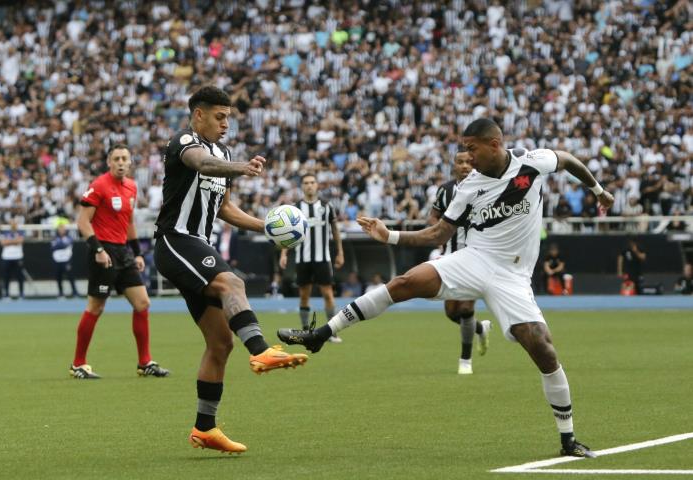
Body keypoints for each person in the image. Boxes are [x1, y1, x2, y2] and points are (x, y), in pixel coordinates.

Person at [279, 118, 615, 458]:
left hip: (512, 275)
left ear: (494, 145)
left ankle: (568, 440)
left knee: (542, 347)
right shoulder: (471, 186)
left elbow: (569, 159)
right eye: (464, 150)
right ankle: (322, 333)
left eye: (472, 149)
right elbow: (438, 234)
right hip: (476, 258)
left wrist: (599, 191)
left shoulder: (533, 162)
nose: (467, 158)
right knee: (406, 282)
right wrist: (390, 236)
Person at [153, 86, 307, 454]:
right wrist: (241, 167)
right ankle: (260, 349)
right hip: (176, 241)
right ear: (199, 114)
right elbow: (200, 164)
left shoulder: (223, 152)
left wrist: (267, 228)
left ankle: (204, 428)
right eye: (220, 117)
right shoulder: (184, 142)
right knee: (231, 281)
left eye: (228, 118)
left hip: (198, 246)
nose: (225, 124)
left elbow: (223, 208)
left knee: (220, 343)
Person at [70, 144, 169, 380]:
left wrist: (137, 253)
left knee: (143, 303)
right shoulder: (98, 186)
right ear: (109, 162)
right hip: (102, 252)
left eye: (125, 158)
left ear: (131, 161)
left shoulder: (132, 187)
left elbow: (129, 222)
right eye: (117, 158)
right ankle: (78, 364)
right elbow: (83, 222)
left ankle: (145, 362)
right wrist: (98, 250)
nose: (121, 162)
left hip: (123, 252)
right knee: (96, 307)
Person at [429, 150, 491, 375]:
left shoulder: (486, 188)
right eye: (460, 162)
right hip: (450, 257)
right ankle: (480, 328)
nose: (465, 166)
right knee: (451, 312)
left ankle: (465, 360)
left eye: (468, 162)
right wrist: (439, 232)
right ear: (454, 166)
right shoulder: (445, 190)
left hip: (475, 257)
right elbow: (433, 215)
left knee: (465, 309)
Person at [279, 173, 345, 342]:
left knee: (328, 294)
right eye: (306, 183)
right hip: (303, 258)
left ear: (317, 185)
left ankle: (331, 331)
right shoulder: (295, 208)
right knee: (304, 296)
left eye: (312, 182)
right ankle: (306, 331)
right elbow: (288, 233)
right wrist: (284, 253)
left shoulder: (326, 206)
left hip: (323, 258)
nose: (309, 185)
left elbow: (335, 230)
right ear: (302, 186)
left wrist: (340, 252)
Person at [51, 220, 79, 298]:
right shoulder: (55, 238)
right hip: (57, 261)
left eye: (62, 229)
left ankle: (75, 292)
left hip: (66, 261)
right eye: (60, 229)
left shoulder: (68, 237)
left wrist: (60, 245)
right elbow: (53, 247)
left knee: (70, 277)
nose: (61, 230)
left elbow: (66, 244)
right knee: (58, 278)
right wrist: (61, 245)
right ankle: (61, 293)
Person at [0, 218, 25, 300]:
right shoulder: (5, 232)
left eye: (15, 223)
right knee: (6, 277)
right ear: (10, 224)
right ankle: (6, 295)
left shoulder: (20, 232)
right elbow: (3, 243)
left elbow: (20, 241)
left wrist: (9, 241)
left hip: (17, 257)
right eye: (12, 223)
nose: (13, 225)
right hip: (7, 257)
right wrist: (14, 241)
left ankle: (21, 294)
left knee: (19, 276)